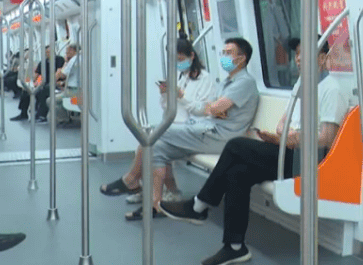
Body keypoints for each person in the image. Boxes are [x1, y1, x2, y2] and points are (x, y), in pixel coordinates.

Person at [160, 36, 348, 265]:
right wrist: (281, 135)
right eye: (297, 54)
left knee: (236, 145)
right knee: (237, 173)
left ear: (322, 58)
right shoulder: (301, 85)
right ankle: (234, 247)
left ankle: (199, 205)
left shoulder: (331, 90)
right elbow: (283, 123)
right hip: (286, 148)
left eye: (305, 53)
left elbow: (327, 137)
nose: (298, 59)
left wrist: (294, 138)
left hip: (306, 158)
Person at [100, 37, 258, 222]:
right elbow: (212, 109)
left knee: (152, 134)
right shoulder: (226, 83)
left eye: (228, 53)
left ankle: (131, 179)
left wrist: (212, 108)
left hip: (222, 136)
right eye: (223, 52)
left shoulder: (245, 82)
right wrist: (213, 109)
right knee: (157, 149)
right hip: (209, 129)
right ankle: (155, 205)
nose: (224, 56)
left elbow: (213, 109)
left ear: (242, 58)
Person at [122, 39, 218, 210]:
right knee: (148, 143)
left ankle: (136, 182)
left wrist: (181, 96)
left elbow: (203, 111)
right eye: (174, 60)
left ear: (191, 56)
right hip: (176, 125)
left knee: (152, 143)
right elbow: (168, 108)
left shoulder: (205, 79)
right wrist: (165, 95)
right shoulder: (179, 76)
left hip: (195, 129)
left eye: (180, 59)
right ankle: (148, 187)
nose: (177, 63)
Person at [11, 46, 64, 122]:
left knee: (44, 90)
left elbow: (58, 73)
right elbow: (37, 75)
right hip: (44, 83)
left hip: (55, 83)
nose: (48, 54)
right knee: (26, 90)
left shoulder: (59, 59)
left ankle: (42, 115)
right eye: (46, 52)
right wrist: (34, 83)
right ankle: (23, 113)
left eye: (49, 52)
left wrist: (51, 82)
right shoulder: (43, 62)